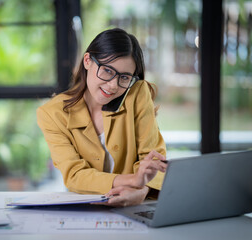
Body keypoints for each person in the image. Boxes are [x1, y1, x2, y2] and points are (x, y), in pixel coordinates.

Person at [37, 28, 167, 207]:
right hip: (84, 208)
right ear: (88, 61)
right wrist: (134, 181)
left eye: (124, 77)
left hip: (133, 208)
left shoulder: (137, 93)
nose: (113, 85)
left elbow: (155, 160)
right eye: (107, 71)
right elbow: (75, 175)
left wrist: (142, 191)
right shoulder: (52, 113)